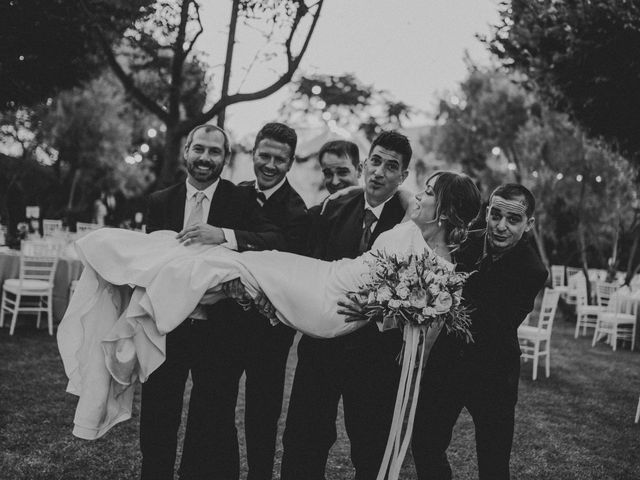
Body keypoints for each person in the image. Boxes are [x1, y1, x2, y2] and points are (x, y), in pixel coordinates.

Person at [139, 124, 285, 480]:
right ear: (186, 151)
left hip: (220, 333)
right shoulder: (160, 202)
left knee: (212, 421)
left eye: (214, 152)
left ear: (225, 158)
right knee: (158, 416)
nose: (205, 158)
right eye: (199, 149)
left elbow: (273, 238)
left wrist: (223, 235)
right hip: (166, 326)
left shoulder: (241, 200)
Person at [279, 130, 411, 480]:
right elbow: (309, 264)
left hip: (376, 356)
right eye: (377, 161)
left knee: (371, 448)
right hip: (322, 347)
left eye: (392, 166)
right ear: (366, 164)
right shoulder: (333, 208)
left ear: (403, 176)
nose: (380, 172)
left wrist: (380, 310)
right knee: (302, 441)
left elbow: (417, 292)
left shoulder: (409, 220)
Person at [411, 183, 548, 480]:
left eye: (513, 220)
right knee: (424, 442)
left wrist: (444, 298)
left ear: (528, 225)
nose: (500, 226)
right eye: (495, 215)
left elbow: (494, 322)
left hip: (493, 372)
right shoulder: (461, 242)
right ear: (486, 212)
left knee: (494, 464)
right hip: (446, 363)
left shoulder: (533, 270)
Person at [219, 122, 309, 480]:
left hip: (269, 334)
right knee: (219, 408)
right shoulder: (235, 194)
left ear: (290, 163)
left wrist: (231, 237)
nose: (270, 165)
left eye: (279, 159)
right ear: (253, 153)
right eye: (264, 156)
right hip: (225, 325)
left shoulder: (297, 210)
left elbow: (281, 244)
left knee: (262, 413)